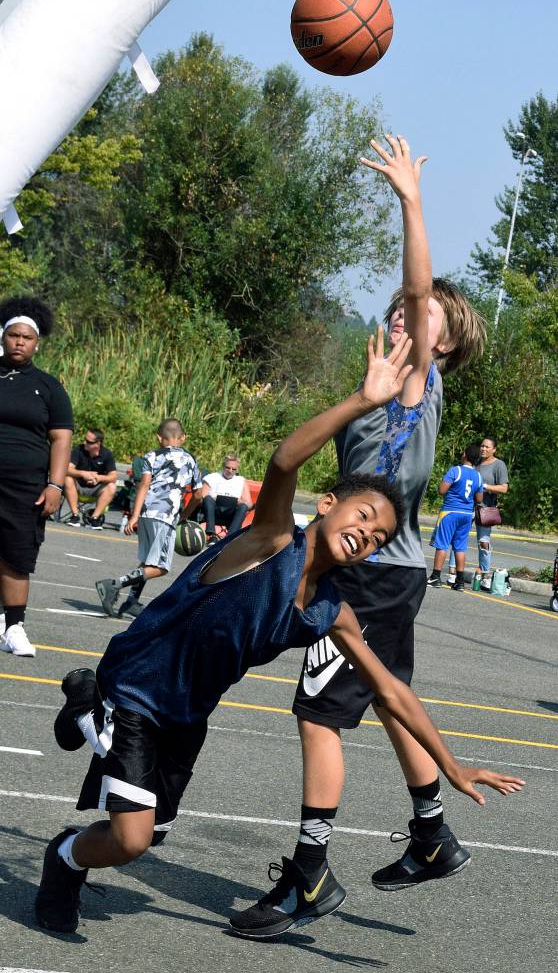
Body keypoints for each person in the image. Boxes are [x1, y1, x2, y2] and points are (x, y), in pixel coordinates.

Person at [34, 330, 523, 937]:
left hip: (186, 713)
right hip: (136, 687)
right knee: (131, 840)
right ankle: (64, 851)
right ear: (328, 503)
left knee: (149, 832)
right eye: (362, 517)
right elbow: (285, 459)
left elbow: (391, 693)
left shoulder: (332, 610)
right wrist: (364, 402)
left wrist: (451, 767)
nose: (366, 535)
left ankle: (86, 719)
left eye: (377, 538)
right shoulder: (268, 542)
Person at [236, 134, 488, 936]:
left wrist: (409, 201)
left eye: (422, 315)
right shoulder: (381, 390)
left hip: (376, 576)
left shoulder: (421, 379)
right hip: (390, 570)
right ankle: (431, 835)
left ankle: (308, 878)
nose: (406, 312)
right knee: (385, 699)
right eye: (403, 309)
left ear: (439, 340)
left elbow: (420, 290)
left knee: (318, 715)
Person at [0, 295, 73, 658]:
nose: (19, 342)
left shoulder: (48, 387)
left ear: (36, 343)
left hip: (25, 486)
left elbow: (61, 438)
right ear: (3, 337)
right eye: (13, 335)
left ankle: (14, 627)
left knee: (16, 556)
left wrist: (56, 484)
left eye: (26, 338)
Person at [95, 419, 202, 619]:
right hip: (165, 515)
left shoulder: (152, 455)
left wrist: (134, 516)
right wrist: (185, 516)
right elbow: (198, 494)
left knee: (147, 562)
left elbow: (143, 485)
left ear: (159, 438)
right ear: (183, 437)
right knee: (161, 567)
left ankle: (131, 602)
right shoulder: (190, 459)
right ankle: (113, 585)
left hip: (145, 513)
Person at [447, 437, 509, 588]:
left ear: (494, 450)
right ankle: (453, 572)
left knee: (484, 542)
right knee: (458, 539)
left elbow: (504, 488)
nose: (483, 449)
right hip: (467, 507)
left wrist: (485, 486)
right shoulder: (475, 462)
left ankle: (486, 574)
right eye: (482, 446)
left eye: (487, 447)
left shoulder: (499, 465)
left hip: (485, 508)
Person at [427, 443, 484, 592]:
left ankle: (435, 576)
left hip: (450, 511)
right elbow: (479, 498)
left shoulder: (455, 470)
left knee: (442, 544)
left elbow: (442, 490)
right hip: (466, 514)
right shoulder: (478, 476)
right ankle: (459, 581)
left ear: (465, 454)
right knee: (460, 547)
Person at [64, 428, 117, 528]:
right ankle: (75, 516)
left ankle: (94, 518)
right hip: (78, 487)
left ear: (98, 443)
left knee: (112, 487)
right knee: (67, 478)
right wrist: (83, 474)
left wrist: (99, 478)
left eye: (89, 442)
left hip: (96, 490)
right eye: (85, 439)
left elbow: (113, 476)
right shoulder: (78, 450)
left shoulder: (107, 454)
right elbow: (67, 469)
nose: (85, 442)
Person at [201, 453, 254, 545]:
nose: (230, 471)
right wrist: (215, 497)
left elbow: (249, 504)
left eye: (234, 469)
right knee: (208, 498)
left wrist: (241, 501)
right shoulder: (212, 477)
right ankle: (211, 534)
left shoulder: (240, 480)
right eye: (228, 468)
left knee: (243, 506)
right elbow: (202, 497)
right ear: (223, 466)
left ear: (237, 470)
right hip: (214, 510)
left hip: (230, 512)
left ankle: (229, 538)